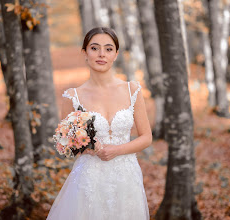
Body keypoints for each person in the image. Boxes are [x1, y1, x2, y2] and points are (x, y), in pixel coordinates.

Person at [46, 27, 152, 220]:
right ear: (84, 53)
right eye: (94, 48)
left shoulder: (132, 90)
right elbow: (66, 143)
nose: (101, 54)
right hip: (89, 179)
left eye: (108, 49)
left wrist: (117, 150)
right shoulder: (73, 96)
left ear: (116, 55)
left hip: (126, 177)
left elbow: (146, 137)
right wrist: (89, 148)